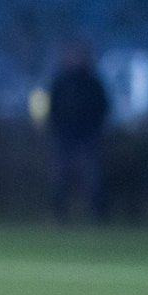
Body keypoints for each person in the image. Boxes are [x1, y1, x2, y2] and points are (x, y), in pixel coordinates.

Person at [46, 40, 110, 222]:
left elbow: (103, 108)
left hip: (88, 137)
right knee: (59, 177)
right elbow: (52, 108)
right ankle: (57, 216)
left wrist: (95, 129)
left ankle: (96, 216)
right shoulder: (60, 82)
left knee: (92, 178)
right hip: (63, 137)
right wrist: (55, 128)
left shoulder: (93, 83)